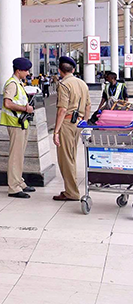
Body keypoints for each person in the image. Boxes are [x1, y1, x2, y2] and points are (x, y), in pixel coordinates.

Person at [53, 56, 91, 201]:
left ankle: (71, 192)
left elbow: (62, 109)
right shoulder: (83, 84)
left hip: (67, 124)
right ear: (73, 70)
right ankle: (71, 189)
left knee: (65, 159)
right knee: (72, 157)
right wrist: (84, 122)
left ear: (60, 71)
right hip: (79, 124)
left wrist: (56, 131)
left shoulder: (64, 85)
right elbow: (88, 106)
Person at [1, 58, 35, 199]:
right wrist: (25, 109)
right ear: (18, 70)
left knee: (19, 155)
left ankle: (19, 182)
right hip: (15, 123)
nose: (27, 73)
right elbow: (7, 104)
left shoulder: (19, 83)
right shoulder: (12, 84)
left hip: (21, 124)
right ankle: (13, 188)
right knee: (15, 156)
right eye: (26, 70)